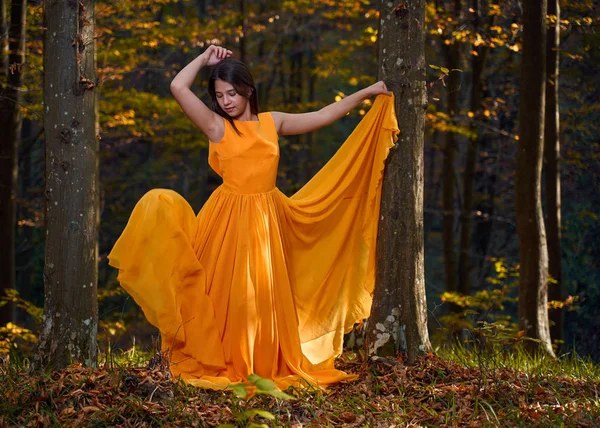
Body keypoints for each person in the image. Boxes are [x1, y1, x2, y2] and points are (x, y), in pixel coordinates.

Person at [108, 45, 399, 390]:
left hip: (268, 219)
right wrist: (204, 59)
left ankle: (263, 361)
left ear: (247, 90)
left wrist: (367, 93)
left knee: (262, 295)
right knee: (230, 295)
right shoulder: (217, 127)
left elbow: (322, 115)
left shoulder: (270, 122)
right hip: (229, 220)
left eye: (232, 92)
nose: (227, 100)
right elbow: (177, 88)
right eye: (220, 95)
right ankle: (226, 358)